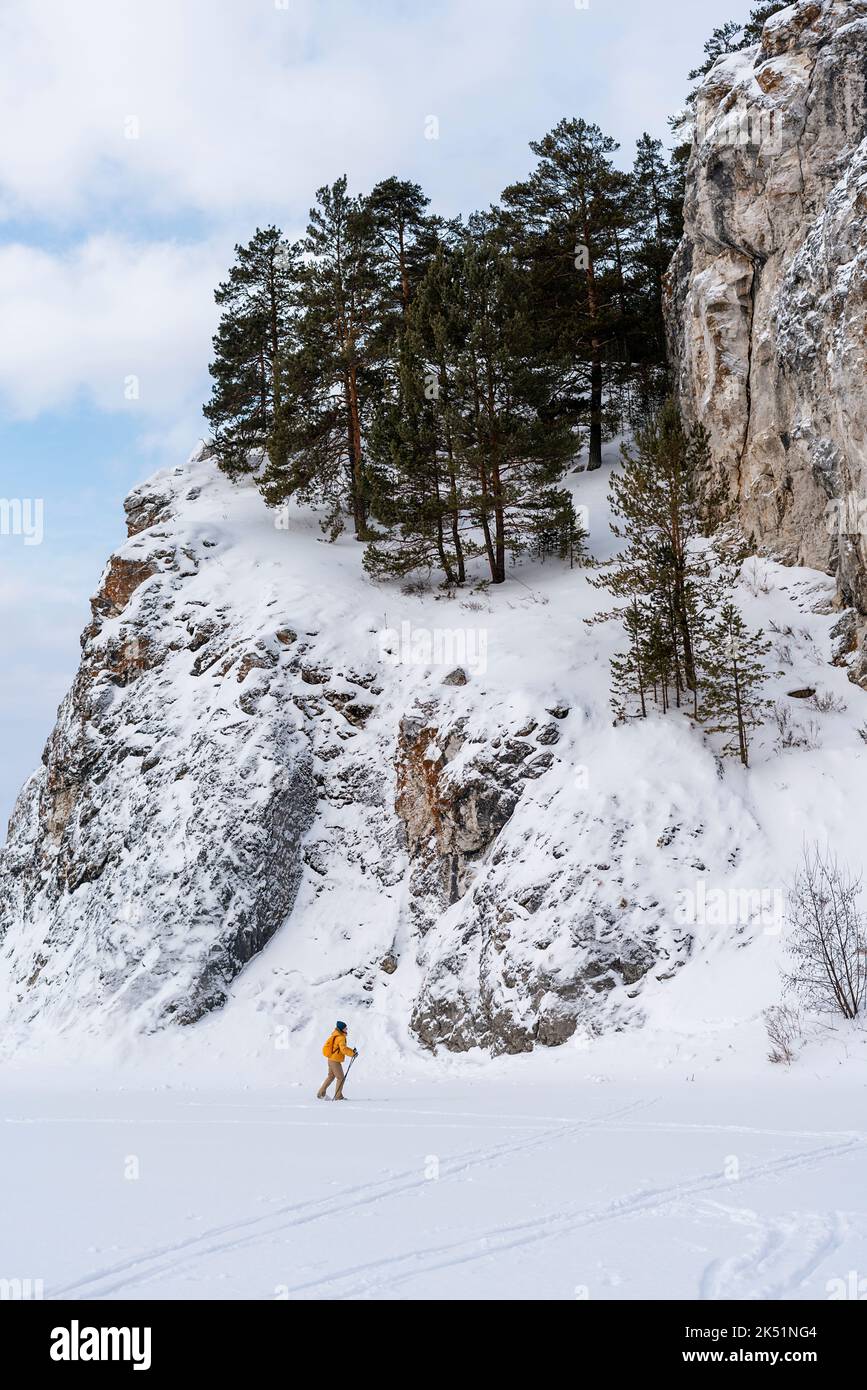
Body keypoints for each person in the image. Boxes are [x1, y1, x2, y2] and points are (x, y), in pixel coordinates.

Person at [316, 1020, 358, 1101]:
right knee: (341, 1078)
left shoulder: (335, 1035)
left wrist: (352, 1051)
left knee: (331, 1076)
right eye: (345, 1028)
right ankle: (338, 1097)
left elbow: (341, 1048)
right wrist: (353, 1054)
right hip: (335, 1061)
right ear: (341, 1029)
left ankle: (320, 1093)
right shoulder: (341, 1037)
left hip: (331, 1059)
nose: (346, 1029)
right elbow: (343, 1049)